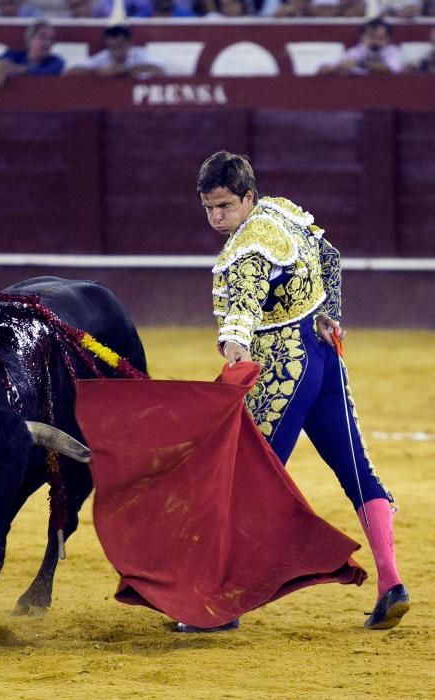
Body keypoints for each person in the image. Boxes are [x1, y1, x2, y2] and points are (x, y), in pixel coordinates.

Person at [175, 150, 410, 633]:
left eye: (225, 206)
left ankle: (222, 607)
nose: (217, 217)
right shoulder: (279, 212)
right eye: (208, 208)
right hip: (324, 358)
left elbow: (240, 312)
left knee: (248, 482)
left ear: (247, 197)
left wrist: (234, 347)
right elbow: (329, 256)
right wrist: (330, 311)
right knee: (356, 469)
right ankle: (391, 583)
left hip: (283, 369)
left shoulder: (245, 248)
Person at [0, 20, 64, 87]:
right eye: (42, 37)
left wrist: (15, 69)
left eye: (51, 39)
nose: (47, 43)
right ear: (29, 39)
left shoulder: (56, 61)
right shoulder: (13, 56)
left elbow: (46, 73)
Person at [65, 24, 164, 79]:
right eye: (112, 47)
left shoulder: (139, 54)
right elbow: (70, 72)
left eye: (120, 45)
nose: (116, 50)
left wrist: (125, 70)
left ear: (129, 43)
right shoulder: (103, 57)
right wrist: (98, 71)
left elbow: (159, 69)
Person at [317, 17, 402, 75]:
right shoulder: (355, 51)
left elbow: (389, 69)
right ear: (362, 37)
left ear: (388, 39)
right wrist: (335, 68)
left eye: (381, 37)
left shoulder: (393, 51)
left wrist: (359, 63)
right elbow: (322, 70)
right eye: (371, 36)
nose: (376, 40)